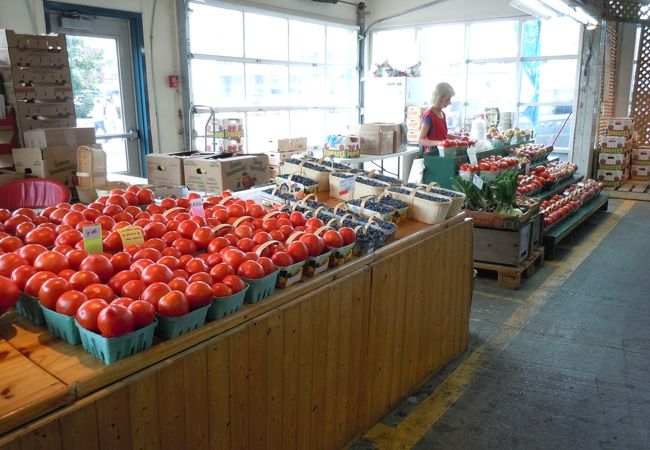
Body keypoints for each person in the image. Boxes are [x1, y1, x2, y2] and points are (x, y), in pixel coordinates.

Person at [418, 82, 461, 153]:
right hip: (432, 154)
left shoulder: (443, 114)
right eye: (447, 100)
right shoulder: (430, 116)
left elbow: (443, 135)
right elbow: (420, 140)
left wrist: (458, 138)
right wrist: (439, 143)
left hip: (443, 152)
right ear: (438, 99)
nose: (450, 102)